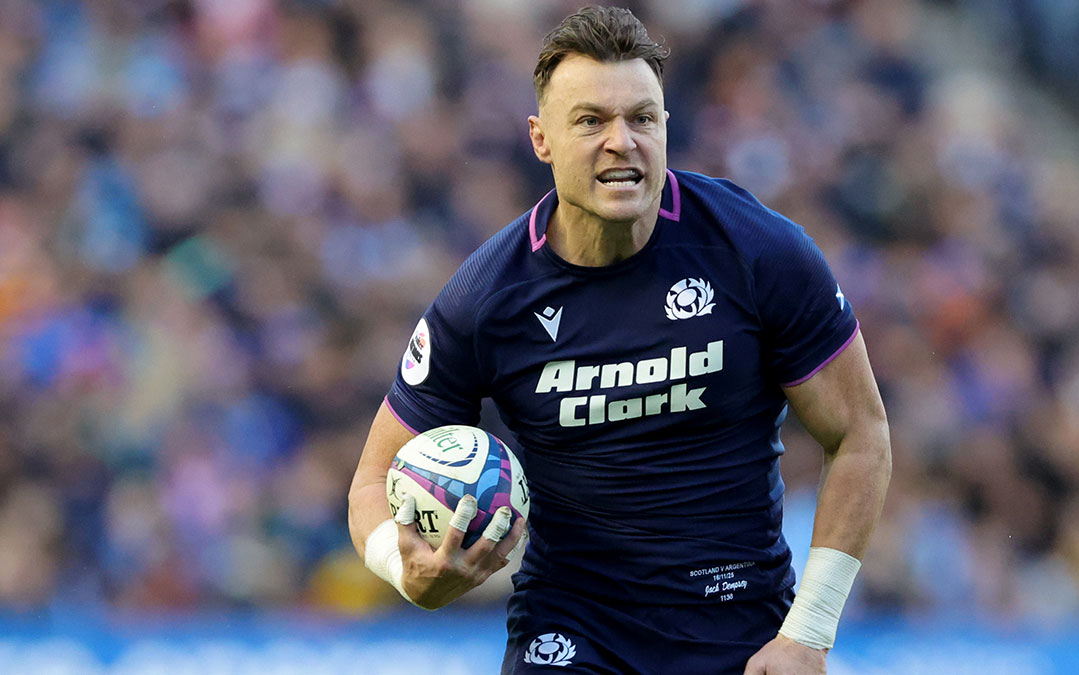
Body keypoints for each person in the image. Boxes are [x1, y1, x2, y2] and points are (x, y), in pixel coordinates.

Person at [348, 6, 891, 674]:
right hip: (572, 632)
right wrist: (402, 568)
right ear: (541, 139)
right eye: (591, 121)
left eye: (642, 118)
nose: (621, 142)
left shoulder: (757, 251)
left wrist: (808, 632)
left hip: (740, 631)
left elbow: (860, 433)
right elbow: (371, 478)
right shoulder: (487, 296)